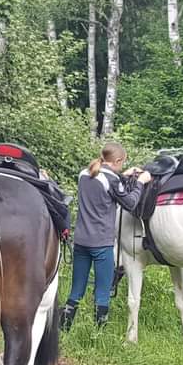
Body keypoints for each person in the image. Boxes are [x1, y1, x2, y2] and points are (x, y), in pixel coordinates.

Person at [62, 141, 142, 330]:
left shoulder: (84, 174)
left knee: (77, 289)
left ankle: (64, 327)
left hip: (81, 241)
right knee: (103, 291)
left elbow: (104, 183)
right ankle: (99, 334)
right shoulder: (112, 180)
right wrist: (140, 183)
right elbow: (130, 203)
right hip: (101, 244)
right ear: (118, 160)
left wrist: (123, 175)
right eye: (122, 163)